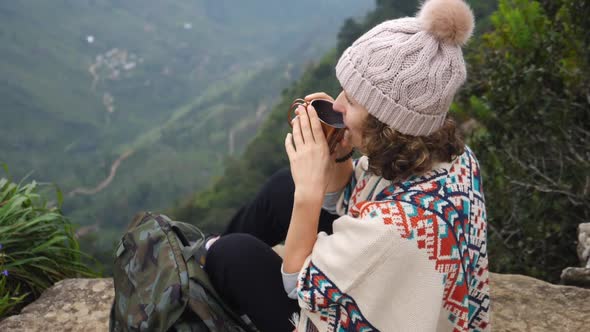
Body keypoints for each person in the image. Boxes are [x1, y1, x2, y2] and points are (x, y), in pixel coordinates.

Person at [203, 0, 490, 330]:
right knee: (284, 186)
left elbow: (299, 284)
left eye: (351, 101)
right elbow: (362, 200)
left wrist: (310, 191)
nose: (337, 104)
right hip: (396, 273)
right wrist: (338, 158)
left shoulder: (393, 229)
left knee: (234, 256)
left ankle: (204, 271)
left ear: (387, 123)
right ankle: (203, 265)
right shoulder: (452, 157)